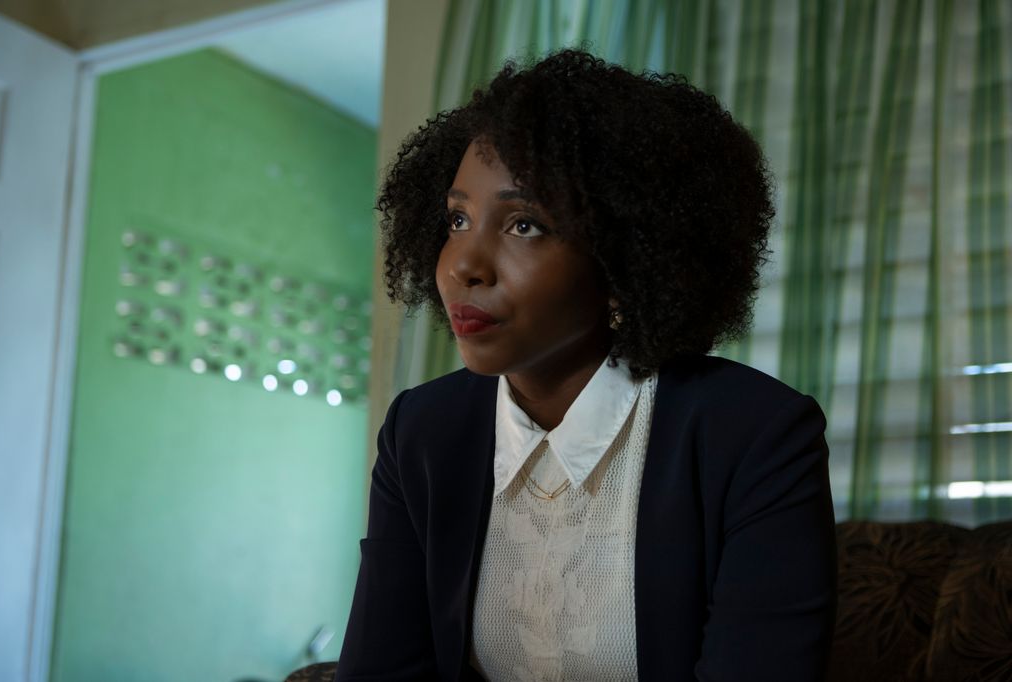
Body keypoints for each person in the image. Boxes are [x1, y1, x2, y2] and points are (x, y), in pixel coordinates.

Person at [337, 49, 836, 681]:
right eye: (457, 219)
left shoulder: (756, 434)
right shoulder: (420, 432)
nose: (464, 264)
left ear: (625, 259)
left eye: (524, 225)